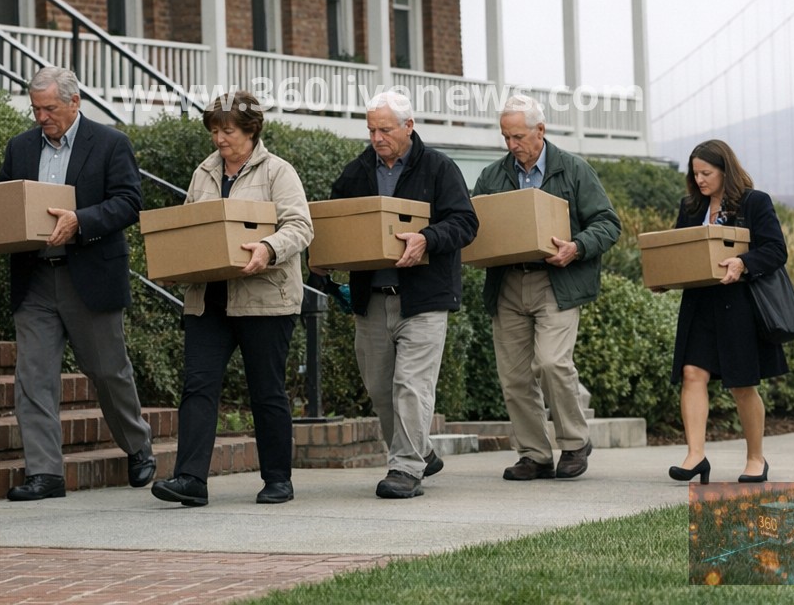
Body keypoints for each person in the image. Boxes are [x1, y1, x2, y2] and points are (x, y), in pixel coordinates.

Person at [0, 66, 154, 501]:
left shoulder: (110, 144)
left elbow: (129, 202)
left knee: (109, 371)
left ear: (74, 102)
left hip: (89, 275)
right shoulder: (19, 148)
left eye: (49, 108)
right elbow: (4, 200)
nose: (41, 117)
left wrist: (80, 222)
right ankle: (45, 473)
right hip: (34, 280)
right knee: (33, 378)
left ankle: (137, 445)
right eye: (35, 109)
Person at [151, 91, 313, 508]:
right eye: (214, 131)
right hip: (209, 300)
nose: (219, 139)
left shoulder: (279, 172)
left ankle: (278, 479)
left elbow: (300, 226)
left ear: (251, 130)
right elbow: (190, 227)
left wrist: (268, 248)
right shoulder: (203, 173)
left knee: (267, 390)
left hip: (265, 300)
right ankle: (190, 479)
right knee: (198, 387)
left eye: (227, 131)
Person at [322, 90, 478, 499]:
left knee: (411, 385)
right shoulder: (356, 173)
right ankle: (421, 452)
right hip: (371, 299)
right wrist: (325, 256)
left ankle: (406, 468)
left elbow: (465, 223)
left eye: (385, 129)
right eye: (371, 129)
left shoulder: (439, 168)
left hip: (424, 301)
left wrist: (426, 238)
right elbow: (336, 225)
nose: (377, 137)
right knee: (379, 388)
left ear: (409, 126)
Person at [474, 94, 620, 482]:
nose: (511, 145)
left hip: (557, 279)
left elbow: (608, 223)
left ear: (541, 130)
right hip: (507, 281)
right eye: (506, 137)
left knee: (553, 362)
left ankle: (574, 442)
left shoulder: (573, 169)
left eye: (518, 136)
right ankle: (534, 454)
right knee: (515, 376)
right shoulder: (491, 175)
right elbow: (476, 224)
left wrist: (577, 247)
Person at [666, 139, 788, 485]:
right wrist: (666, 277)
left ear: (725, 170)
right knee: (692, 373)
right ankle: (695, 455)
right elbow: (679, 250)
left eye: (707, 173)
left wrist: (743, 262)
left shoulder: (754, 202)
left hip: (739, 306)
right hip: (700, 305)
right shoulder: (690, 206)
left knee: (742, 384)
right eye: (695, 174)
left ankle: (755, 458)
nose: (700, 180)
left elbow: (776, 250)